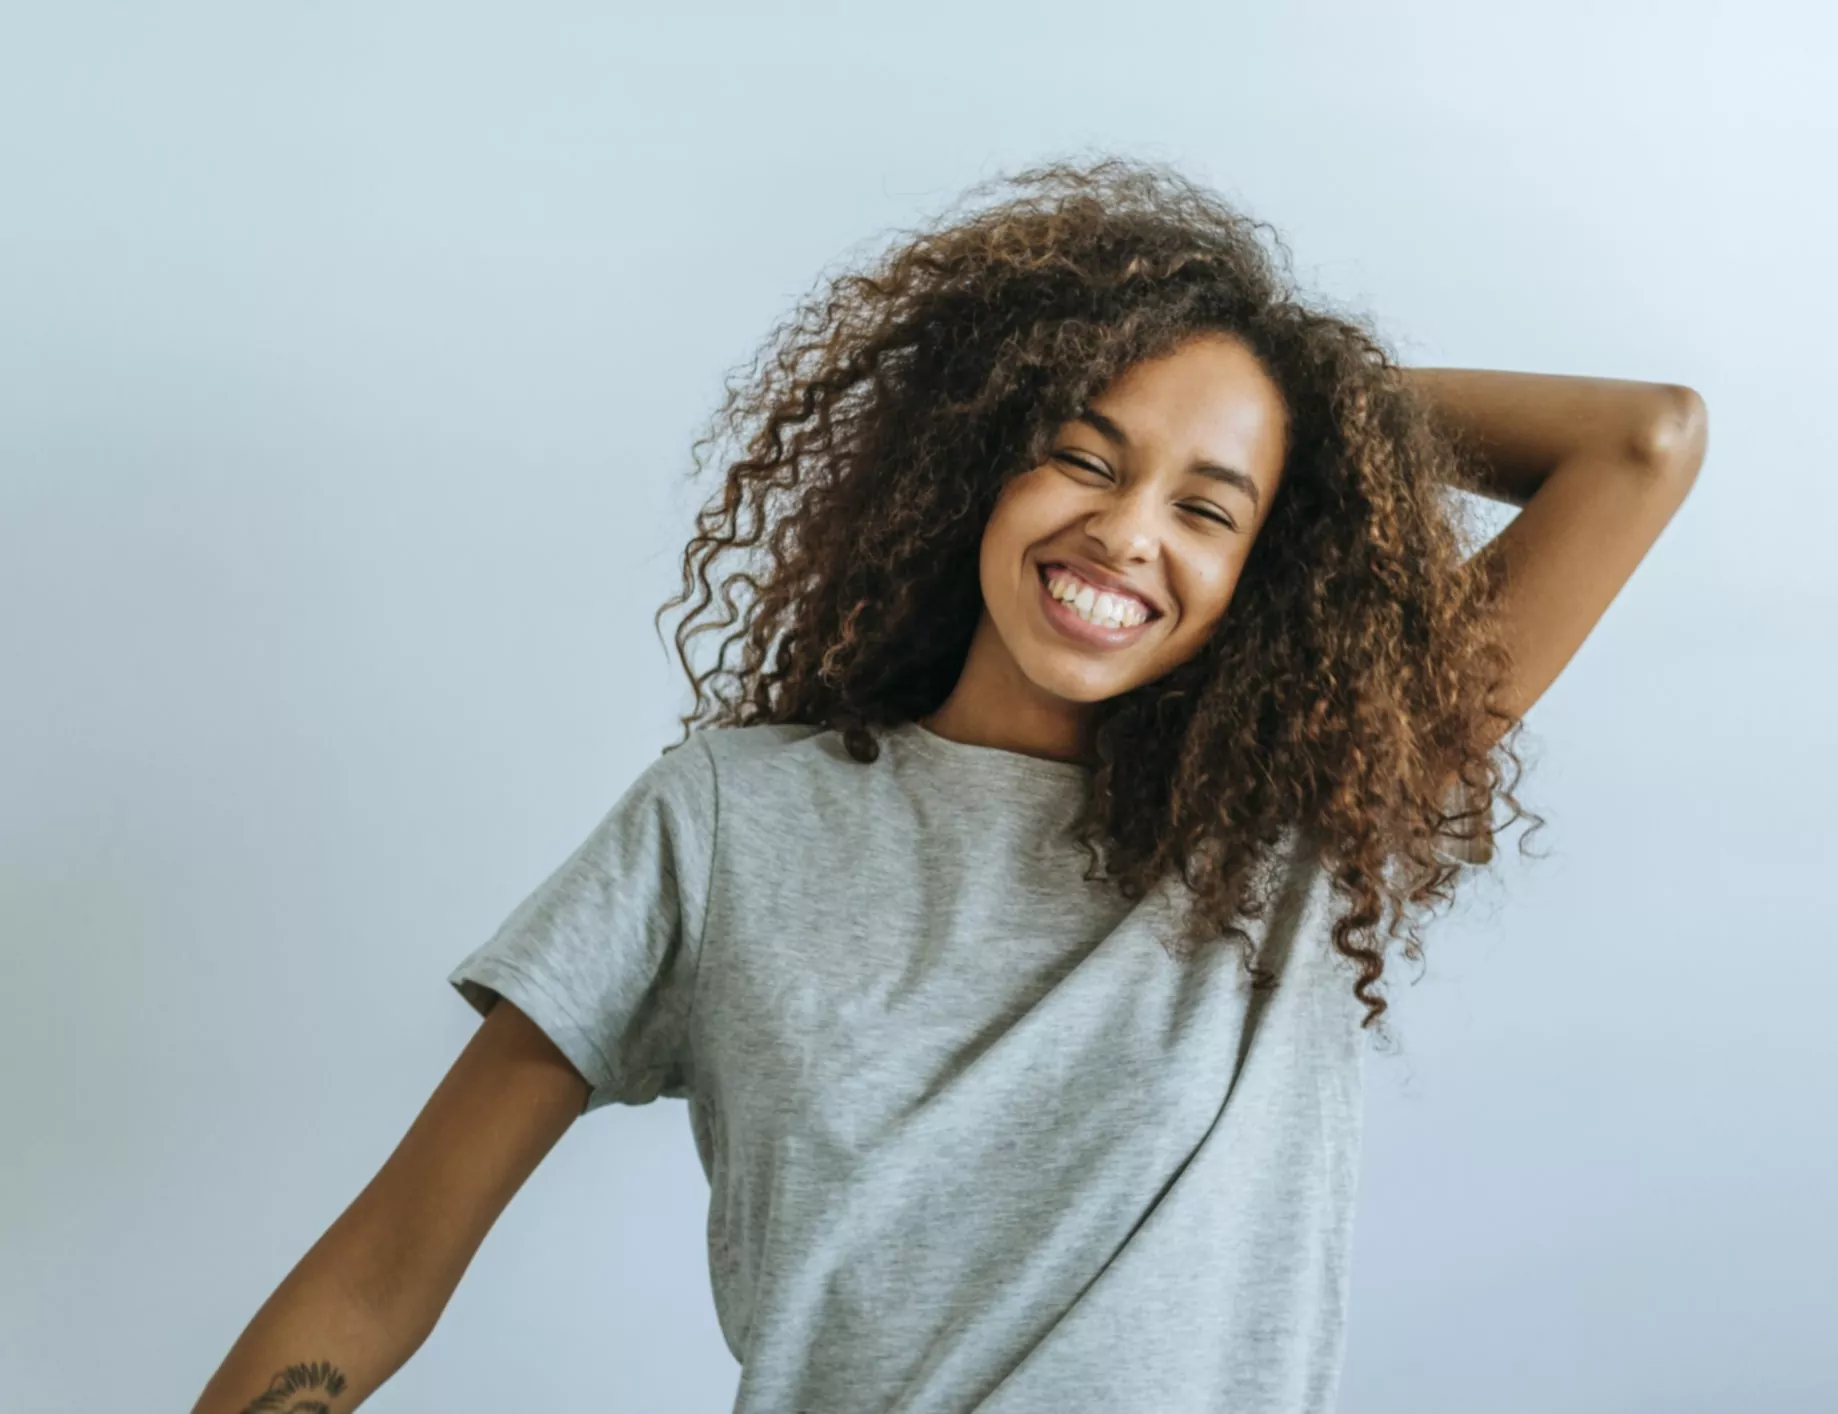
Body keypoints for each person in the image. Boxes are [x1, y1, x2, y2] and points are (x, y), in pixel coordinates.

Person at [192, 156, 1707, 1414]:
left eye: (1207, 504)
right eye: (1083, 453)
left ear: (1266, 571)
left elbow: (1642, 443)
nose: (1128, 532)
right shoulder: (727, 820)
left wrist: (1298, 393)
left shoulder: (1291, 824)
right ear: (980, 458)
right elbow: (383, 1271)